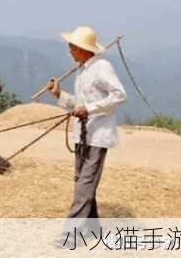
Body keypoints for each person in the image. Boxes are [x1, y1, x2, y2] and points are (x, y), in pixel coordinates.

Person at [46, 26, 126, 246]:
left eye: (72, 46)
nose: (70, 50)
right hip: (82, 135)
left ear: (83, 49)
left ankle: (71, 235)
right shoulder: (82, 71)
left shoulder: (102, 67)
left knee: (84, 184)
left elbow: (119, 95)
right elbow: (79, 105)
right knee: (83, 183)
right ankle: (92, 228)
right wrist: (59, 94)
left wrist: (89, 109)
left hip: (98, 135)